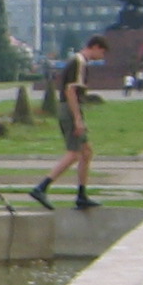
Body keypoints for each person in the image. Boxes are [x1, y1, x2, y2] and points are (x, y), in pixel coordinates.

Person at [30, 36, 104, 210]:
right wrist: (77, 118)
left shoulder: (79, 61)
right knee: (74, 153)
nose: (102, 56)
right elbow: (70, 90)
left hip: (71, 108)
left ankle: (81, 195)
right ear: (95, 47)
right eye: (102, 52)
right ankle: (41, 188)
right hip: (70, 109)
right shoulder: (79, 61)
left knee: (86, 152)